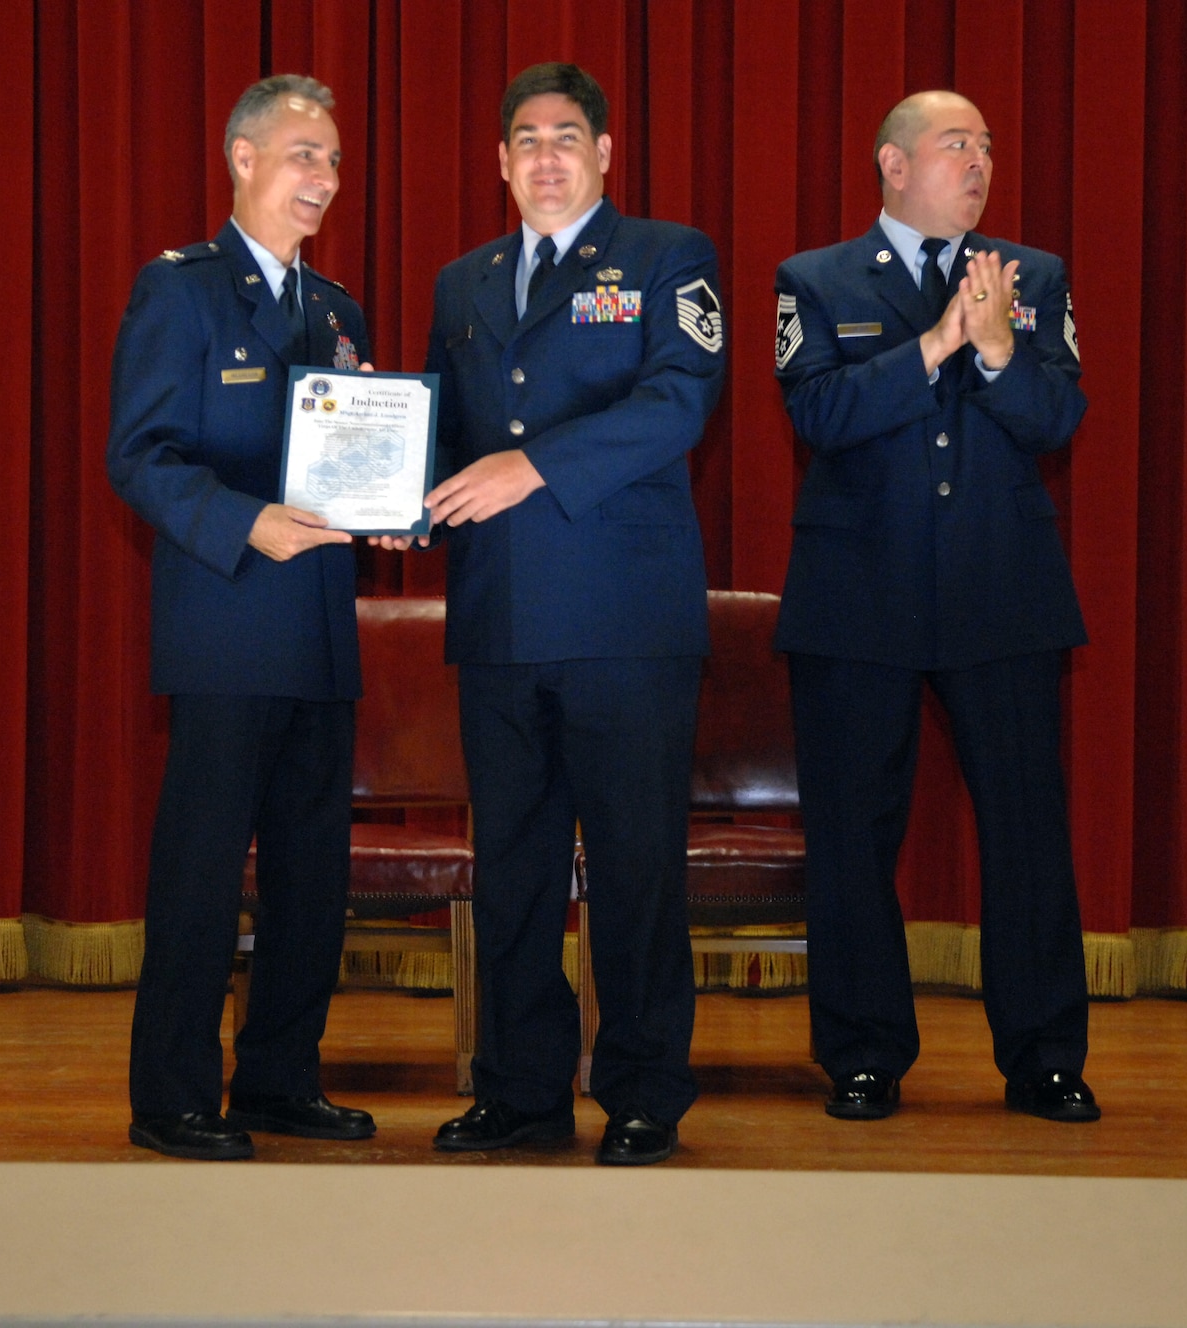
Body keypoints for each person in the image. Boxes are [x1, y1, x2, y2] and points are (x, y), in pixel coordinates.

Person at [400, 62, 726, 1165]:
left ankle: (640, 1089)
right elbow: (448, 437)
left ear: (601, 154)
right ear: (498, 161)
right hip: (496, 620)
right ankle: (521, 1089)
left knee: (635, 866)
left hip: (624, 622)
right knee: (515, 870)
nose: (545, 155)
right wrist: (405, 502)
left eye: (566, 136)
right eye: (525, 138)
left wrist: (526, 468)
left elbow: (677, 402)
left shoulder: (667, 257)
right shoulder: (463, 281)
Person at [772, 90, 1099, 1123]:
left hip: (999, 595)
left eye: (987, 147)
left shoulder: (1031, 278)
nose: (978, 162)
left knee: (1025, 830)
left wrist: (998, 345)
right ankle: (862, 1053)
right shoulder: (812, 280)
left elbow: (1058, 418)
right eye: (956, 144)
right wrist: (935, 343)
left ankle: (1043, 1056)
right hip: (854, 596)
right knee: (852, 836)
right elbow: (818, 410)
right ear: (892, 163)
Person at [107, 74, 378, 1160]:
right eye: (304, 154)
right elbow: (139, 456)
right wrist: (242, 521)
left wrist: (389, 508)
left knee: (313, 877)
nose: (323, 177)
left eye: (334, 161)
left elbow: (358, 457)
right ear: (242, 158)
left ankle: (278, 1075)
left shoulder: (338, 310)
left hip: (318, 630)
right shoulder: (179, 290)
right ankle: (171, 1094)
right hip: (224, 623)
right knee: (203, 873)